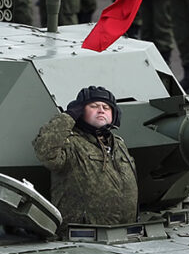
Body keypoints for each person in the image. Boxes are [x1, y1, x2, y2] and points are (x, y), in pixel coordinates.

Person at [33, 86, 137, 227]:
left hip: (124, 233)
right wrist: (68, 117)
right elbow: (46, 152)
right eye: (94, 106)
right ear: (80, 111)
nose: (101, 110)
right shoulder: (70, 142)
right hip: (82, 235)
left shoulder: (119, 145)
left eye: (106, 107)